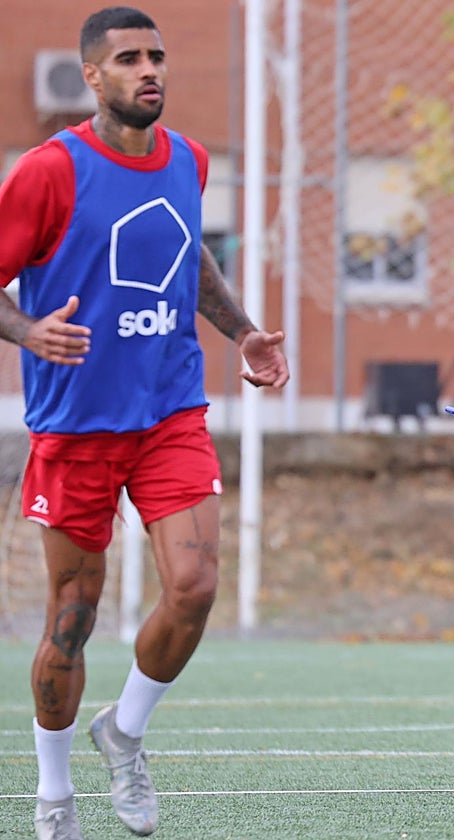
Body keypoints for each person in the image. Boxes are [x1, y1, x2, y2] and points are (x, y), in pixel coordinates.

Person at [0, 8, 290, 838]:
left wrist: (244, 332)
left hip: (170, 412)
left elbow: (186, 250)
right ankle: (54, 794)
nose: (148, 69)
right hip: (76, 427)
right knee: (73, 615)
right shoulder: (49, 171)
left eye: (156, 56)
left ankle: (124, 732)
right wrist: (27, 330)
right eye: (128, 59)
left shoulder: (189, 159)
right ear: (92, 76)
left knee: (195, 588)